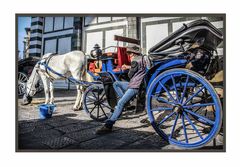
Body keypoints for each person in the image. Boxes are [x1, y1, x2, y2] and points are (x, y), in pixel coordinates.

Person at [96, 45, 147, 134]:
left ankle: (108, 125)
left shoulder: (134, 60)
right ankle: (126, 102)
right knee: (116, 83)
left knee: (120, 103)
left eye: (130, 53)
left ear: (134, 54)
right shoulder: (143, 59)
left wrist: (129, 67)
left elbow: (130, 75)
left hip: (135, 86)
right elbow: (138, 69)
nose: (129, 55)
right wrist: (128, 67)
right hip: (139, 84)